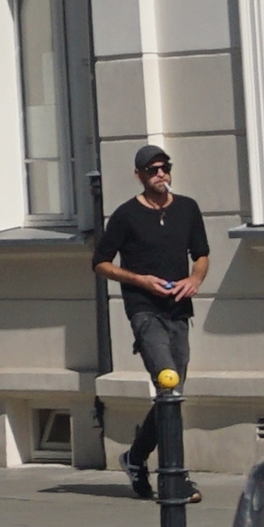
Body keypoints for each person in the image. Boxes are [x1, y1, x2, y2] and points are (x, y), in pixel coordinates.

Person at [92, 144, 210, 502]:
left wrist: (195, 280)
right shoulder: (126, 215)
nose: (160, 174)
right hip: (144, 310)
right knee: (167, 384)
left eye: (164, 168)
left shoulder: (187, 208)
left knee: (171, 393)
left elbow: (201, 255)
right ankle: (177, 478)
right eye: (152, 170)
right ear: (139, 176)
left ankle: (135, 457)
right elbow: (100, 263)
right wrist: (141, 280)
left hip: (178, 310)